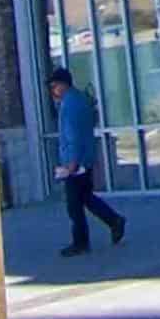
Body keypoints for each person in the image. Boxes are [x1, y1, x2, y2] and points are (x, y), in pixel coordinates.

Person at [47, 65, 125, 258]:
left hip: (76, 163)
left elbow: (73, 135)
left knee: (74, 205)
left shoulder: (69, 105)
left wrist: (71, 163)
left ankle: (81, 242)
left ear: (63, 85)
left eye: (55, 85)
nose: (53, 90)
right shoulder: (80, 99)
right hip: (86, 158)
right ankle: (114, 221)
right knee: (86, 198)